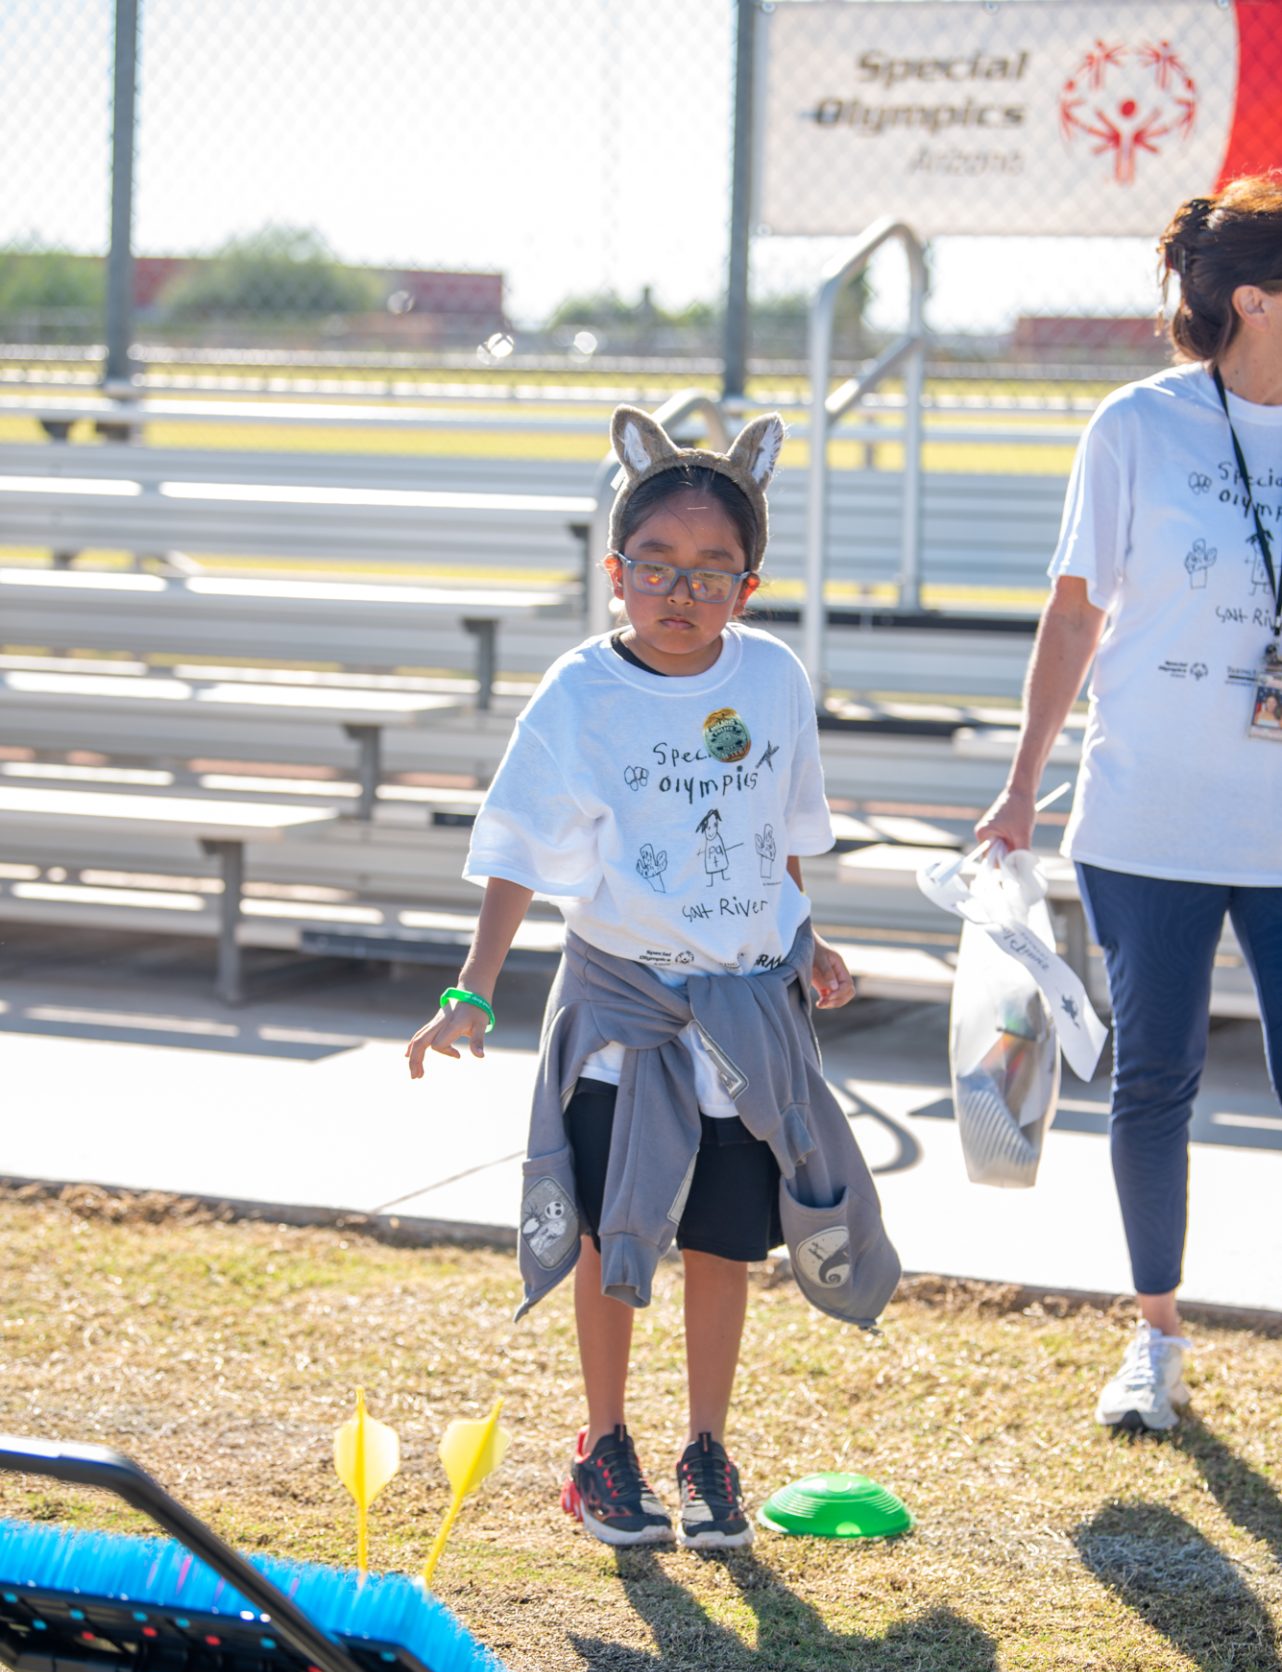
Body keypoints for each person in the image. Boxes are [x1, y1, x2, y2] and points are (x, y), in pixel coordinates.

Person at [407, 405, 899, 1548]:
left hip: (745, 1012)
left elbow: (772, 827)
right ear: (615, 573)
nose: (683, 592)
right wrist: (473, 986)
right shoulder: (580, 693)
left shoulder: (773, 681)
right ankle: (604, 1445)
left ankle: (707, 1451)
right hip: (626, 1011)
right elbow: (519, 847)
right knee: (607, 1230)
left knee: (726, 1239)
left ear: (751, 584)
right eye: (657, 569)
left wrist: (802, 934)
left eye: (712, 572)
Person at [976, 174, 1282, 1434]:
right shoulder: (1136, 426)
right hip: (1145, 814)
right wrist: (1018, 784)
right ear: (1255, 301)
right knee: (1152, 1079)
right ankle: (1155, 1338)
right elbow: (1074, 610)